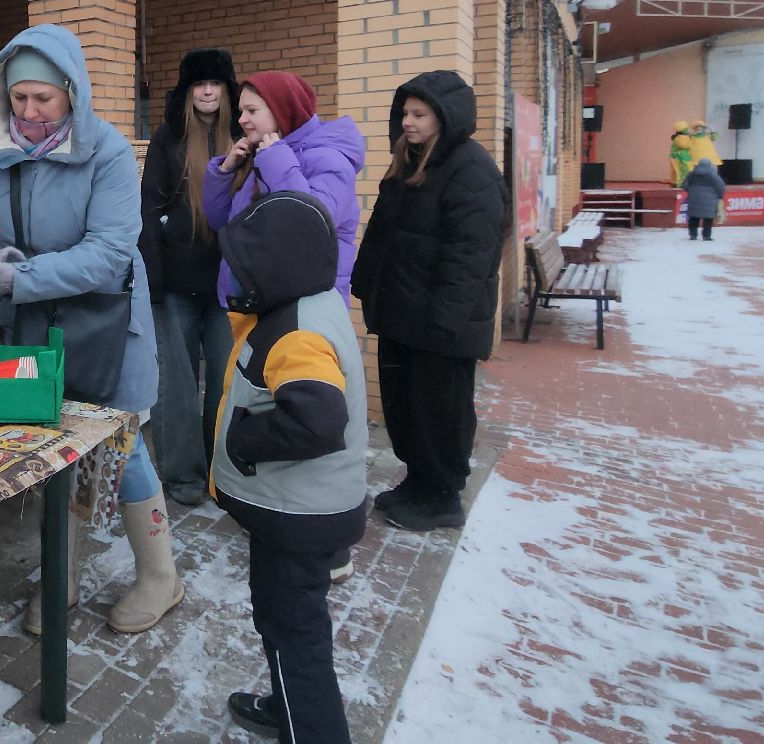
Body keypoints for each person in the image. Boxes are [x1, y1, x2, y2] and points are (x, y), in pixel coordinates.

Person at [0, 24, 179, 636]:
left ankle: (159, 576)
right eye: (18, 99)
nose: (29, 112)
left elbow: (110, 252)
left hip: (105, 325)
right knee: (51, 446)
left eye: (42, 99)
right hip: (33, 326)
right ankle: (60, 574)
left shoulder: (110, 153)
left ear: (72, 92)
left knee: (120, 445)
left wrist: (21, 279)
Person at [210, 189, 367, 744]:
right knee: (287, 624)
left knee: (294, 633)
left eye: (247, 267)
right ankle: (289, 707)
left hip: (299, 515)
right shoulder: (305, 304)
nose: (236, 278)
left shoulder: (297, 333)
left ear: (280, 267)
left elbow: (319, 418)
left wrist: (245, 440)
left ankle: (311, 726)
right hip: (299, 509)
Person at [351, 71, 509, 533]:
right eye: (405, 113)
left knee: (440, 411)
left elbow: (471, 256)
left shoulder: (471, 169)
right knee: (407, 408)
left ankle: (442, 496)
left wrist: (446, 322)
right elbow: (384, 235)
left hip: (441, 325)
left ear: (445, 116)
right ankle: (419, 480)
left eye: (418, 114)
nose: (408, 122)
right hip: (402, 314)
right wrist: (367, 284)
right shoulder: (411, 161)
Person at [139, 48, 241, 506]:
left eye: (215, 84)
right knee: (176, 386)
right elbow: (150, 210)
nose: (206, 91)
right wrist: (154, 279)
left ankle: (222, 473)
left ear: (226, 90)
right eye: (199, 83)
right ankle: (182, 475)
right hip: (177, 282)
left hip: (228, 285)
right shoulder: (168, 139)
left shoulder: (242, 137)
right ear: (187, 91)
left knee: (224, 382)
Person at [204, 71, 365, 307]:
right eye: (241, 111)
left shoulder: (329, 160)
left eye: (252, 111)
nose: (241, 120)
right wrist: (224, 172)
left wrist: (276, 161)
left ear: (281, 110)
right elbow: (223, 224)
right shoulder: (263, 155)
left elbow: (310, 227)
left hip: (304, 305)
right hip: (259, 298)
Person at [683, 157, 727, 242]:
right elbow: (721, 186)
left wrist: (692, 191)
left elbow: (685, 185)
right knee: (708, 219)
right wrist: (719, 196)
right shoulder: (713, 175)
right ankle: (706, 236)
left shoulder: (691, 174)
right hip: (710, 201)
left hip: (694, 199)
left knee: (693, 218)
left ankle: (693, 235)